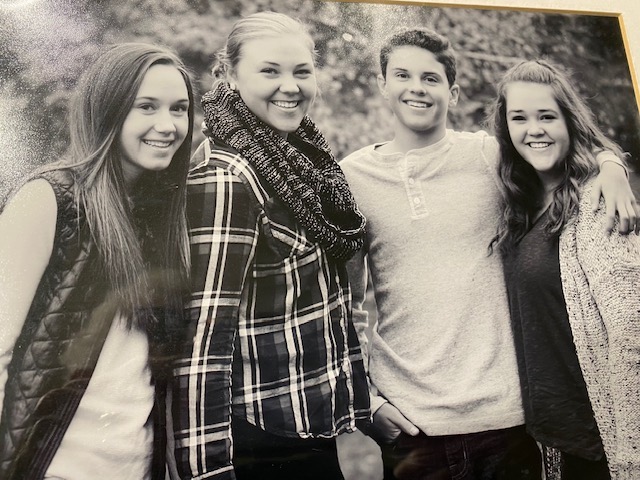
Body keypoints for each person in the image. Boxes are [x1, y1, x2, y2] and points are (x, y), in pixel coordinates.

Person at [339, 27, 637, 480]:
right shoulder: (350, 179)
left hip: (510, 420)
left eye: (431, 78)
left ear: (453, 92)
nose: (416, 88)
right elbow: (345, 304)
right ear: (383, 84)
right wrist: (369, 402)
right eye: (402, 75)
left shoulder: (489, 157)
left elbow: (560, 143)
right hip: (411, 423)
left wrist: (611, 164)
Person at [171, 11, 370, 480]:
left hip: (308, 424)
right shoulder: (227, 176)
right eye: (269, 71)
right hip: (259, 438)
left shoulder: (302, 159)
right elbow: (204, 336)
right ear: (230, 77)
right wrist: (207, 470)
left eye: (302, 71)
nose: (290, 86)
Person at [0, 43, 194, 480]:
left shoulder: (160, 215)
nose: (168, 126)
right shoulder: (49, 199)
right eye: (147, 107)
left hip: (135, 467)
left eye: (179, 109)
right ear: (107, 110)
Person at [487, 59, 640, 480]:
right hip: (551, 439)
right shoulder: (518, 203)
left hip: (603, 444)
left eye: (547, 116)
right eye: (519, 118)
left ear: (569, 122)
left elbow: (631, 326)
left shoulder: (596, 202)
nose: (533, 129)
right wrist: (612, 158)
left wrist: (630, 452)